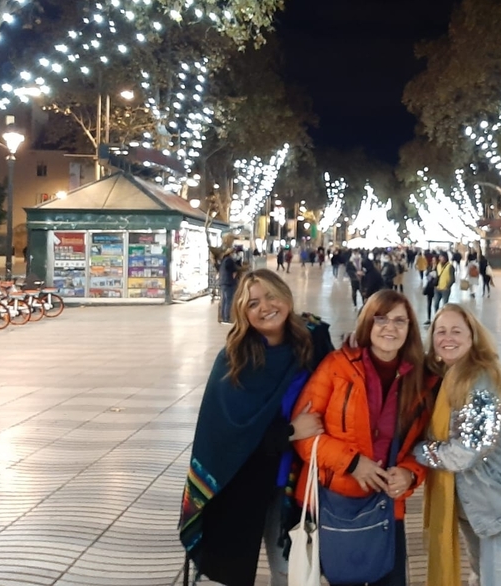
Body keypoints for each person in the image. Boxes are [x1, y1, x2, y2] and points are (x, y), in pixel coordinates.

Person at [178, 270, 334, 586]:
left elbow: (339, 386)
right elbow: (227, 435)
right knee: (236, 572)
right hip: (245, 483)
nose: (264, 307)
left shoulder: (312, 339)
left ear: (285, 296)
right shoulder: (235, 360)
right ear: (243, 314)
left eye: (270, 296)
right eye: (252, 303)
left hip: (296, 482)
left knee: (292, 573)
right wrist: (290, 431)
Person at [292, 290, 437, 586]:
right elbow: (304, 437)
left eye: (400, 321)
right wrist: (353, 463)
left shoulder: (420, 380)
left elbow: (425, 445)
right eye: (381, 319)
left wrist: (411, 474)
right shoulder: (336, 366)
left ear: (410, 330)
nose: (390, 328)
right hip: (332, 505)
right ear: (367, 324)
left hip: (386, 507)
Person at [416, 305, 501, 586]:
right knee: (480, 579)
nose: (447, 337)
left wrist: (416, 451)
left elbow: (467, 452)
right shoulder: (443, 375)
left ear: (472, 337)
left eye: (456, 331)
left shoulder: (482, 380)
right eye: (440, 331)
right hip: (476, 510)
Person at [219, 249, 239, 324]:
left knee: (224, 300)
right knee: (229, 301)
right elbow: (234, 271)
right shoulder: (229, 260)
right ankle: (226, 318)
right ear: (231, 253)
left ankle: (223, 317)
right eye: (234, 253)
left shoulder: (223, 260)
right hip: (229, 283)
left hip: (223, 282)